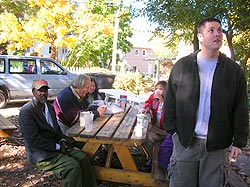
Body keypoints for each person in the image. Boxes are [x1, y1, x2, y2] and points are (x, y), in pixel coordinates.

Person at [163, 17, 249, 187]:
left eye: (219, 30)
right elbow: (170, 101)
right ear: (200, 36)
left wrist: (239, 141)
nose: (217, 34)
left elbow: (240, 108)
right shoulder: (183, 66)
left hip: (216, 146)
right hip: (186, 142)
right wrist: (173, 131)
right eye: (211, 30)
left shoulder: (233, 71)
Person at [19, 79, 96, 187]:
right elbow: (34, 140)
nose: (43, 93)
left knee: (83, 157)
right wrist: (58, 147)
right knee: (72, 166)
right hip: (42, 154)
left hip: (56, 147)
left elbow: (57, 130)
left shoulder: (49, 108)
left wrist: (63, 141)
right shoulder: (26, 112)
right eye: (40, 90)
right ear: (33, 92)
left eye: (45, 90)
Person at [139, 80, 170, 169]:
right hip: (157, 128)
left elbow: (170, 113)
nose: (158, 91)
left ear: (166, 90)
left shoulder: (170, 99)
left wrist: (163, 101)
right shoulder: (154, 97)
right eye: (156, 89)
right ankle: (150, 158)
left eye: (160, 89)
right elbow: (148, 102)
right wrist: (148, 108)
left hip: (168, 130)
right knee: (145, 136)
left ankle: (164, 161)